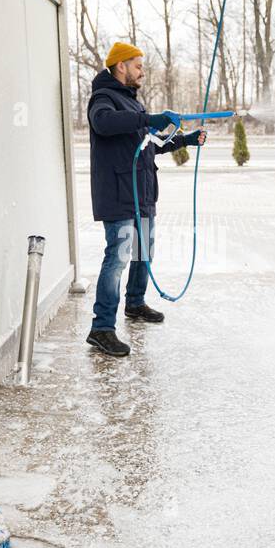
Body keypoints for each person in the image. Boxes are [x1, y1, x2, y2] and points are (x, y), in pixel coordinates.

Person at [84, 41, 206, 357]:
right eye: (138, 65)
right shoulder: (103, 99)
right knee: (118, 258)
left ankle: (135, 304)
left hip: (142, 193)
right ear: (121, 65)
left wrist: (186, 141)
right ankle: (101, 328)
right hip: (118, 193)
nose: (142, 72)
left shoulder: (132, 103)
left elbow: (149, 142)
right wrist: (148, 119)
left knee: (143, 253)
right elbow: (104, 123)